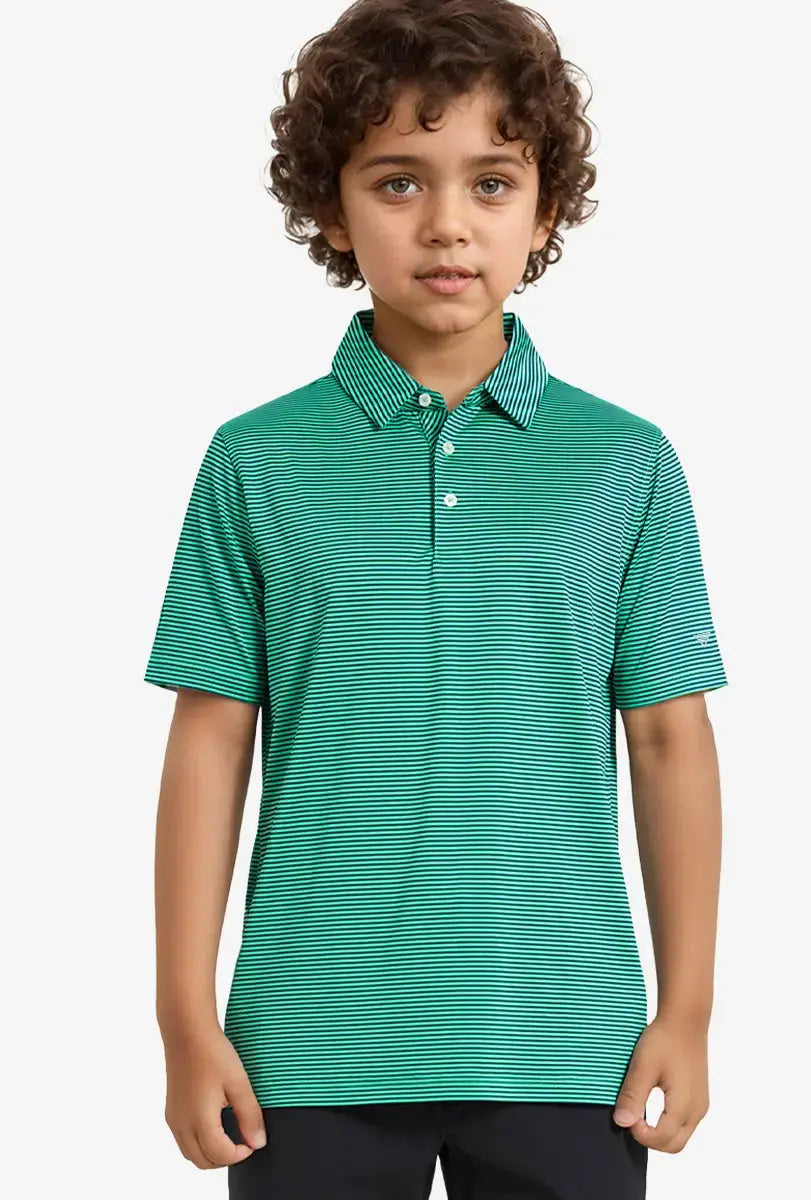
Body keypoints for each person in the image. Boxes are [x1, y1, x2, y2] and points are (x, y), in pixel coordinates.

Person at [144, 1, 728, 1196]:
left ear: (545, 210)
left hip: (568, 1046)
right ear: (332, 208)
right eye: (399, 181)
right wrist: (183, 1019)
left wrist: (690, 1010)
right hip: (306, 1049)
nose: (448, 224)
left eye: (492, 182)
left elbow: (671, 739)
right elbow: (209, 741)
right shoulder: (257, 460)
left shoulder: (625, 462)